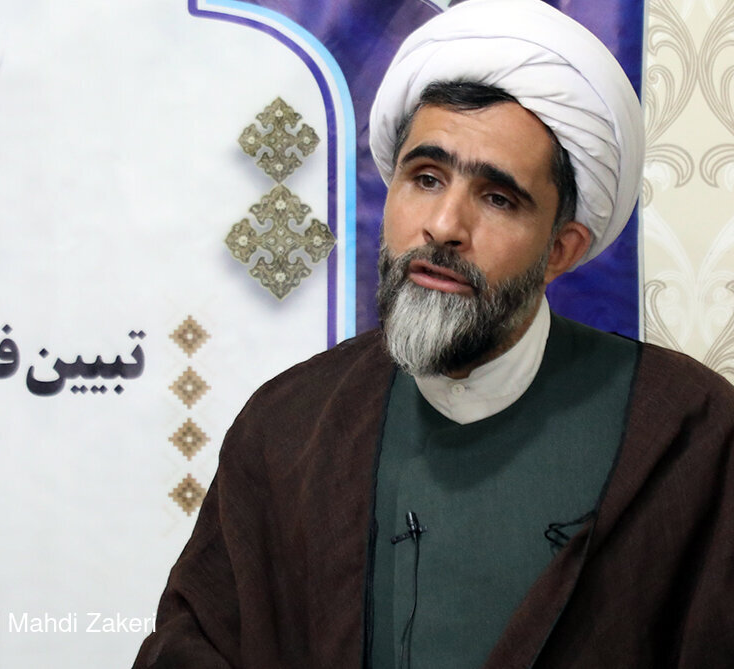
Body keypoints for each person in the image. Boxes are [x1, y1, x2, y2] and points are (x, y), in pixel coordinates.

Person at [134, 1, 734, 667]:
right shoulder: (287, 426)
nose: (444, 225)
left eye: (497, 198)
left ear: (560, 249)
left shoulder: (686, 433)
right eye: (425, 179)